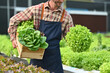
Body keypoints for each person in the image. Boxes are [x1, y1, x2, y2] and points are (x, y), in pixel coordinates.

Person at [8, 0, 74, 73]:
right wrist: (13, 39)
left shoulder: (66, 16)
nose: (61, 1)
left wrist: (75, 42)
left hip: (54, 60)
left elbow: (70, 37)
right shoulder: (37, 10)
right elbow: (14, 20)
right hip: (36, 57)